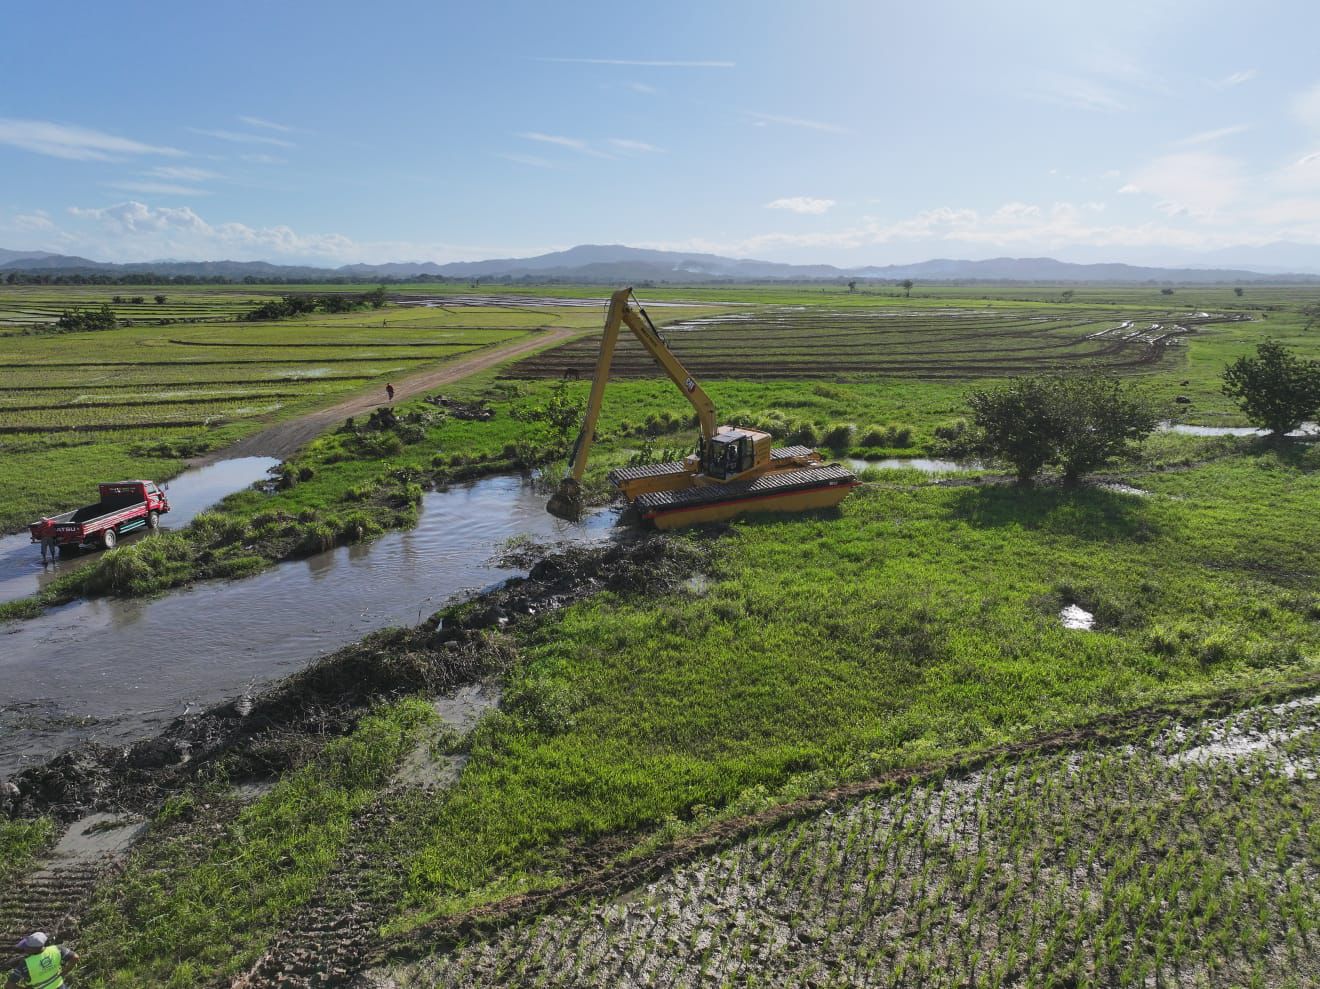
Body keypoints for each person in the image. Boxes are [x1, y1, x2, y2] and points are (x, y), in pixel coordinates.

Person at [7, 932, 77, 989]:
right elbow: (75, 957)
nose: (25, 949)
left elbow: (9, 986)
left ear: (32, 949)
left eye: (27, 947)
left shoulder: (25, 964)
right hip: (60, 986)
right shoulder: (57, 949)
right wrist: (65, 972)